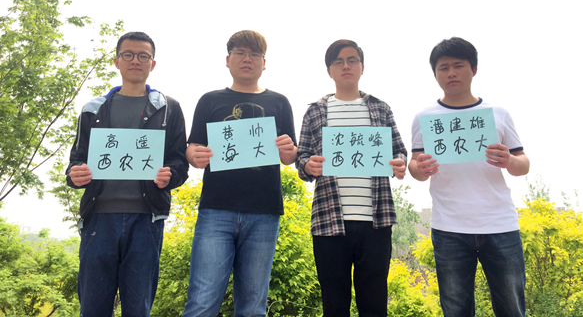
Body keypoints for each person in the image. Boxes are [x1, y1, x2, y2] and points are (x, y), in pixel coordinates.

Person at [66, 31, 189, 316]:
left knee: (138, 307)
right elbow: (76, 161)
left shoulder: (168, 108)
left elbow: (180, 163)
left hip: (147, 218)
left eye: (143, 56)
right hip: (99, 217)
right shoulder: (94, 109)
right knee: (93, 307)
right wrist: (75, 175)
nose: (136, 61)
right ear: (117, 61)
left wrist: (170, 175)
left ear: (153, 64)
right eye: (128, 55)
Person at [408, 37, 530, 317]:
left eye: (458, 65)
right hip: (448, 227)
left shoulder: (498, 114)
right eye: (443, 67)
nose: (451, 73)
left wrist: (509, 160)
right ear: (435, 74)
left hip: (500, 224)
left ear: (474, 69)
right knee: (455, 309)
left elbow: (523, 164)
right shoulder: (425, 117)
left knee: (511, 307)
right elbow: (415, 166)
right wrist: (419, 168)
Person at [182, 30, 297, 316]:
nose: (247, 59)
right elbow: (193, 146)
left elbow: (290, 155)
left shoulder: (279, 102)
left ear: (264, 63)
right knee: (202, 302)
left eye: (254, 54)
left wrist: (289, 151)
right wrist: (194, 155)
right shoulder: (210, 100)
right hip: (216, 210)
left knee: (253, 307)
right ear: (227, 60)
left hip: (264, 212)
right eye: (240, 53)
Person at [296, 39, 407, 317]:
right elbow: (302, 157)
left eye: (352, 60)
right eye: (338, 62)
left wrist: (399, 163)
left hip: (376, 220)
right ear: (329, 71)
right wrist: (308, 165)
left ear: (362, 67)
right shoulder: (315, 111)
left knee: (374, 304)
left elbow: (399, 151)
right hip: (329, 221)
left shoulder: (380, 108)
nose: (346, 66)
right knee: (334, 304)